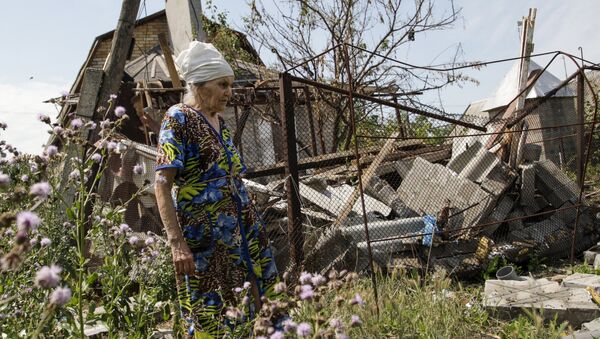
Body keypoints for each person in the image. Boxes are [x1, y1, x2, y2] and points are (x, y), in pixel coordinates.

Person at [154, 41, 278, 337]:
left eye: (230, 85)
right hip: (205, 235)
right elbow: (161, 184)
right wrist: (176, 242)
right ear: (200, 85)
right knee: (212, 308)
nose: (228, 92)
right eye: (223, 84)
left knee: (255, 297)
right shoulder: (178, 118)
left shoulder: (220, 124)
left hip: (241, 227)